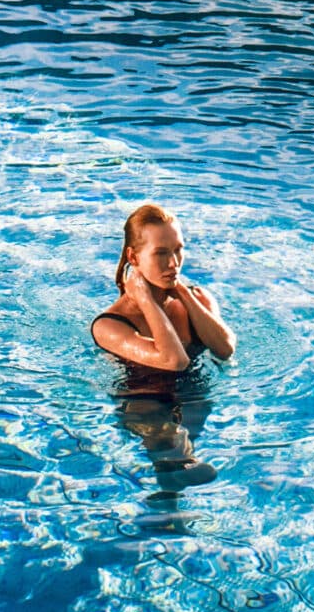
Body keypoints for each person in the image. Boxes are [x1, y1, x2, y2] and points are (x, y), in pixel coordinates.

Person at [91, 201, 233, 494]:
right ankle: (170, 487)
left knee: (173, 475)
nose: (174, 263)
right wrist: (145, 300)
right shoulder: (109, 325)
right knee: (168, 446)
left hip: (193, 395)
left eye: (178, 250)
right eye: (161, 253)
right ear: (134, 257)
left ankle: (166, 503)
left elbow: (225, 348)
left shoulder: (197, 299)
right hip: (144, 403)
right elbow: (174, 361)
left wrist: (182, 292)